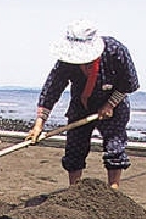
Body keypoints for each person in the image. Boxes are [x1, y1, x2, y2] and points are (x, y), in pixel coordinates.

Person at [27, 19, 139, 189]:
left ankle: (114, 190)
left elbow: (129, 83)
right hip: (81, 103)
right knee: (74, 148)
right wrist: (38, 125)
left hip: (114, 103)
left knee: (114, 147)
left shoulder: (115, 51)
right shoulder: (66, 61)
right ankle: (74, 190)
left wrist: (110, 105)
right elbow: (52, 89)